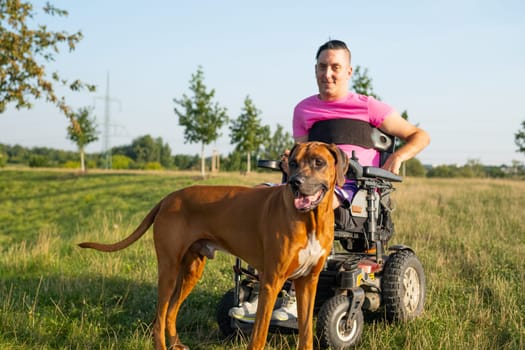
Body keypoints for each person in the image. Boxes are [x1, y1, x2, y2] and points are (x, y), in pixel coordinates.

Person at [229, 39, 430, 323]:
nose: (328, 73)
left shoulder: (370, 108)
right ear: (315, 70)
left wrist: (397, 157)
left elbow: (420, 135)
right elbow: (302, 159)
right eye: (323, 67)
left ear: (348, 72)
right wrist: (291, 163)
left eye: (335, 67)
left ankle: (291, 295)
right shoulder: (303, 110)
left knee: (312, 202)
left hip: (355, 188)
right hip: (313, 182)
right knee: (257, 198)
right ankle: (262, 287)